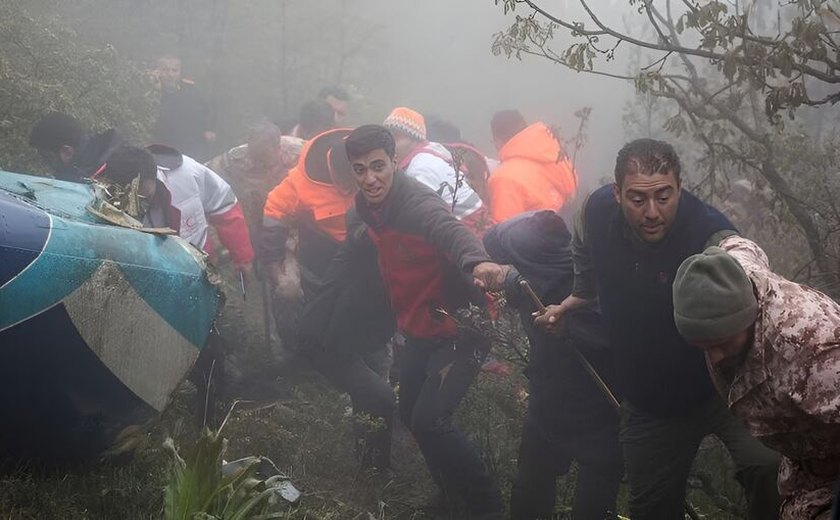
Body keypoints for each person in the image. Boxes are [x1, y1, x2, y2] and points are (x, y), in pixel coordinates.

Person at [535, 138, 781, 519]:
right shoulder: (596, 211)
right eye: (637, 199)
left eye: (664, 197)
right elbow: (582, 248)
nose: (652, 212)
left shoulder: (708, 233)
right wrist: (578, 298)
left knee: (769, 467)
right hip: (650, 402)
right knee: (651, 510)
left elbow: (747, 269)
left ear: (680, 188)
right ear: (617, 193)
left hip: (726, 389)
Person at [344, 124, 508, 519]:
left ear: (395, 162)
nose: (370, 178)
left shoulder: (416, 203)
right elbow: (365, 236)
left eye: (378, 167)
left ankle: (489, 508)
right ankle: (450, 496)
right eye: (360, 169)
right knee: (411, 415)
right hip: (420, 329)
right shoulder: (367, 206)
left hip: (462, 328)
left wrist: (479, 262)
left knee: (431, 420)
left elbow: (449, 230)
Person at [672, 238, 840, 519]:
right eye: (704, 346)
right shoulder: (736, 274)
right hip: (807, 463)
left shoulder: (813, 356)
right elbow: (739, 245)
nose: (715, 357)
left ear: (748, 318)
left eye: (723, 343)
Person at [483, 210, 623, 520]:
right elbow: (491, 239)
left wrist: (569, 328)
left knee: (592, 509)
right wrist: (511, 275)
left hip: (601, 414)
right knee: (530, 492)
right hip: (549, 405)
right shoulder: (527, 276)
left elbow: (615, 338)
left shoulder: (590, 282)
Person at [259, 128, 356, 356]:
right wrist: (273, 261)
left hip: (359, 251)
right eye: (344, 183)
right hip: (307, 246)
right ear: (334, 168)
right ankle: (295, 350)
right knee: (287, 290)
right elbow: (274, 211)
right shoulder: (303, 179)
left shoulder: (372, 163)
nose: (348, 189)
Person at [382, 107, 487, 232]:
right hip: (476, 221)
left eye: (396, 137)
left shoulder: (420, 169)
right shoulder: (432, 152)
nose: (389, 144)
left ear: (414, 138)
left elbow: (419, 217)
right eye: (388, 137)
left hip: (468, 229)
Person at [205, 122, 304, 235]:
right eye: (255, 158)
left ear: (278, 149)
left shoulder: (300, 152)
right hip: (254, 217)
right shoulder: (234, 158)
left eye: (263, 159)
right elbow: (203, 173)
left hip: (290, 216)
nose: (258, 164)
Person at [488, 110, 577, 223]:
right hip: (573, 225)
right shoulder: (553, 149)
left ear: (497, 140)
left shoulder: (503, 179)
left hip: (544, 237)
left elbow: (505, 232)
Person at [152, 54, 216, 161]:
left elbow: (208, 109)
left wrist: (210, 129)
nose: (170, 74)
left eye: (174, 70)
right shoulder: (149, 91)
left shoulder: (192, 90)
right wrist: (155, 89)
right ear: (157, 71)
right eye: (165, 70)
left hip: (192, 144)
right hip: (162, 145)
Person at [29, 112, 123, 183]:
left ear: (67, 152)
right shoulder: (88, 168)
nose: (45, 165)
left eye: (47, 158)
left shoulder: (118, 175)